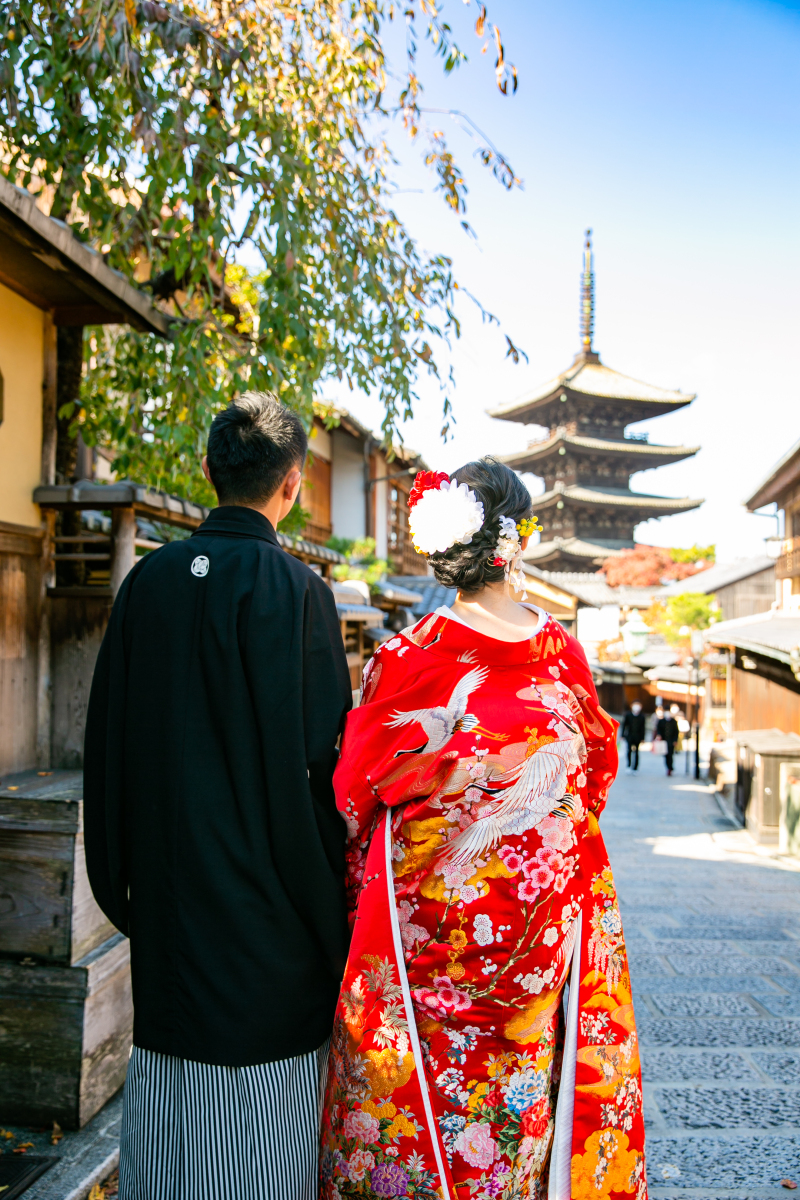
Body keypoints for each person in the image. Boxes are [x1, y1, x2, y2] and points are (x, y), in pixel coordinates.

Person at [320, 460, 647, 1200]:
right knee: (519, 1116)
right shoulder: (560, 655)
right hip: (538, 941)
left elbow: (353, 799)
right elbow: (594, 778)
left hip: (424, 937)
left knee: (418, 1110)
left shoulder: (403, 659)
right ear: (517, 543)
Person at [83, 393, 352, 1200]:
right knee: (265, 1158)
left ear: (208, 472)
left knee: (173, 1151)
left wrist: (128, 893)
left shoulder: (148, 584)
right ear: (293, 485)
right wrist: (330, 914)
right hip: (275, 926)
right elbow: (328, 777)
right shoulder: (300, 593)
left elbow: (107, 751)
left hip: (173, 915)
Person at [621, 701, 646, 772]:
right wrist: (622, 735)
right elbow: (624, 726)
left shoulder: (642, 716)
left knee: (637, 752)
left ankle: (635, 767)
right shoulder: (628, 715)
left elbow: (643, 728)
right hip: (629, 736)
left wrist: (643, 738)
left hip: (638, 737)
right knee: (629, 751)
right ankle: (628, 765)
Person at [655, 707, 680, 776]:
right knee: (666, 755)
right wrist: (659, 735)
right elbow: (658, 730)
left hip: (671, 741)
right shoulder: (661, 721)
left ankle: (670, 768)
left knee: (670, 755)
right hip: (664, 741)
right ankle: (668, 767)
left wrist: (675, 740)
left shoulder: (674, 721)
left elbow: (676, 732)